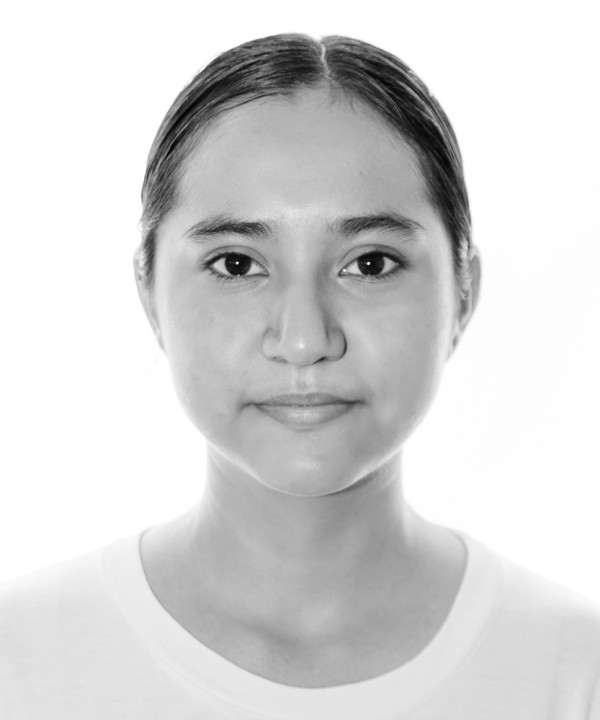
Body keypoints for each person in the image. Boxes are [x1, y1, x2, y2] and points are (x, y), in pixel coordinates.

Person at [1, 32, 599, 719]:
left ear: (463, 291)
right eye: (236, 264)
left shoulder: (576, 673)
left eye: (370, 263)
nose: (305, 340)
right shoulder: (19, 664)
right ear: (149, 292)